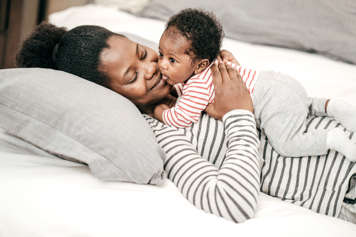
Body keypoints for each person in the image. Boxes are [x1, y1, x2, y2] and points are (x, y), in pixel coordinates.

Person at [16, 23, 356, 223]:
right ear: (113, 97)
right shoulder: (163, 134)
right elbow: (230, 201)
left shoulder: (189, 73)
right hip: (343, 189)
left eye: (142, 53)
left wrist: (241, 82)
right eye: (132, 76)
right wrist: (238, 113)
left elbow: (280, 105)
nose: (151, 68)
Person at [154, 8, 356, 161]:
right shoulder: (216, 64)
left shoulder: (197, 87)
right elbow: (185, 85)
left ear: (200, 65)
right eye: (161, 54)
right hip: (275, 82)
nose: (161, 64)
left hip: (271, 102)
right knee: (303, 104)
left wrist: (157, 110)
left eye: (172, 60)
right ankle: (331, 106)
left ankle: (332, 138)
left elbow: (180, 118)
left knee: (288, 144)